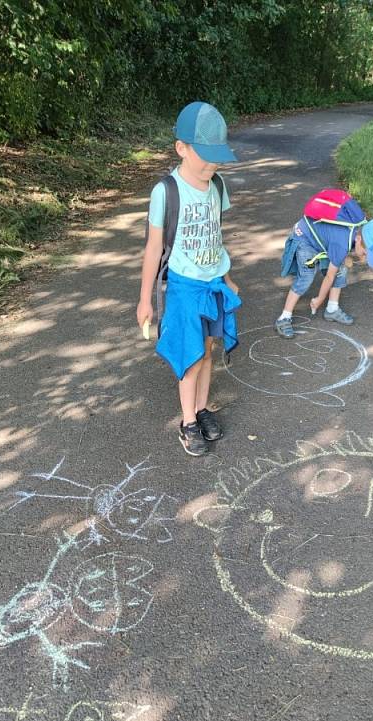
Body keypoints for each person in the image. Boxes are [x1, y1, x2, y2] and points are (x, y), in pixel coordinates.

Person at [137, 101, 241, 456]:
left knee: (209, 352)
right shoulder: (165, 191)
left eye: (218, 157)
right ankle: (187, 421)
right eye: (206, 156)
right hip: (184, 287)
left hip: (213, 285)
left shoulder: (217, 186)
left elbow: (217, 236)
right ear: (181, 148)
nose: (213, 164)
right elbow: (153, 249)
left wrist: (227, 276)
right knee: (191, 357)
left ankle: (201, 408)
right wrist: (145, 299)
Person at [274, 196, 373, 338]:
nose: (366, 258)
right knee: (306, 275)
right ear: (359, 239)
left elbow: (345, 248)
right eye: (366, 254)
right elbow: (329, 277)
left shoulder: (361, 228)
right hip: (305, 238)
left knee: (340, 270)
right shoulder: (342, 243)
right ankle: (284, 318)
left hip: (324, 239)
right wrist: (319, 299)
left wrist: (353, 256)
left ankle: (332, 309)